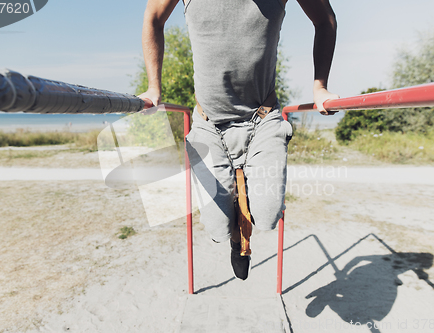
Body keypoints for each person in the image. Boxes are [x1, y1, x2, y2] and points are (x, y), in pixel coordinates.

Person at [139, 0, 339, 280]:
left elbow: (325, 19)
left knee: (268, 216)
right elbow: (153, 17)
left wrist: (320, 87)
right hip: (208, 123)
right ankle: (236, 238)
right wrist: (153, 87)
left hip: (263, 117)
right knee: (217, 228)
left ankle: (243, 200)